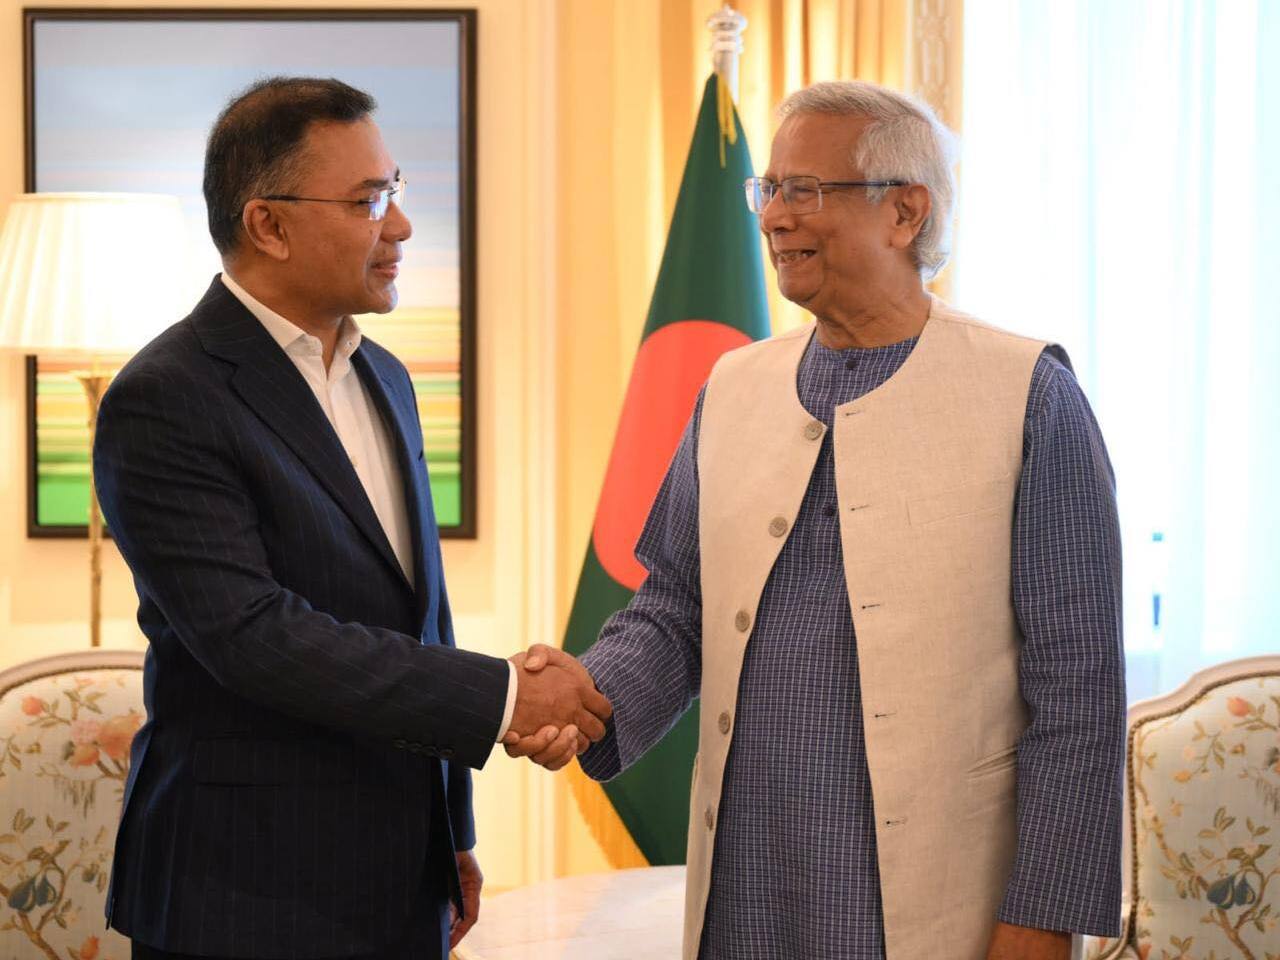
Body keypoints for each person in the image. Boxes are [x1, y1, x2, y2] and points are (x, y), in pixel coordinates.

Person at [506, 80, 1125, 960]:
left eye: (805, 190)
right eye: (768, 190)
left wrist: (1044, 915)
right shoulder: (732, 386)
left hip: (935, 896)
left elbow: (1079, 690)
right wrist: (587, 699)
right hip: (745, 882)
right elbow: (675, 608)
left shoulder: (1030, 395)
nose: (773, 217)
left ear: (904, 211)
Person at [93, 76, 608, 960]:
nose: (399, 225)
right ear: (269, 225)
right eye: (369, 201)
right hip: (241, 896)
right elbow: (255, 637)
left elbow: (420, 613)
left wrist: (451, 834)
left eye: (393, 191)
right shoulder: (166, 396)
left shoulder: (387, 378)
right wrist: (504, 698)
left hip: (399, 879)